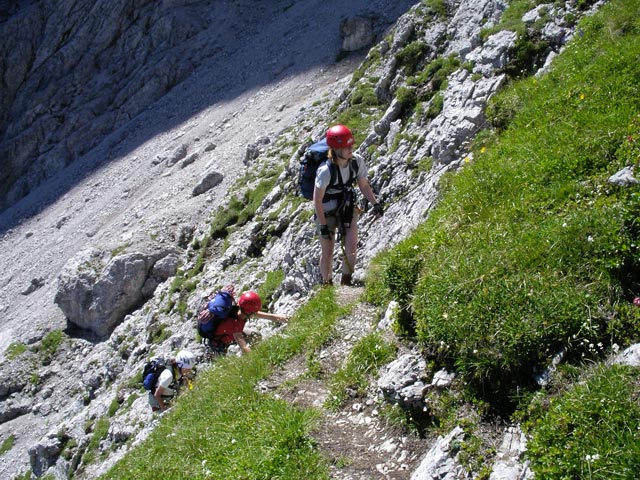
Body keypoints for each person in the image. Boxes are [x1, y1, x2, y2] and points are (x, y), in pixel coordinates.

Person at [313, 124, 383, 286]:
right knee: (328, 251)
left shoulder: (357, 161)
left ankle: (346, 282)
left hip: (347, 206)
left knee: (351, 245)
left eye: (351, 145)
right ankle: (327, 285)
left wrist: (375, 203)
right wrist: (323, 224)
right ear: (336, 149)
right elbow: (317, 200)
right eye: (346, 146)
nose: (350, 148)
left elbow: (364, 185)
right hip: (326, 211)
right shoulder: (325, 171)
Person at [207, 290, 287, 355]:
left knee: (255, 334)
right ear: (250, 312)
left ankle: (255, 350)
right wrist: (258, 358)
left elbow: (270, 317)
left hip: (231, 333)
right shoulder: (235, 323)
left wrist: (288, 319)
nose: (255, 313)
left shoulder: (241, 311)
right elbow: (244, 347)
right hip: (219, 343)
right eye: (254, 311)